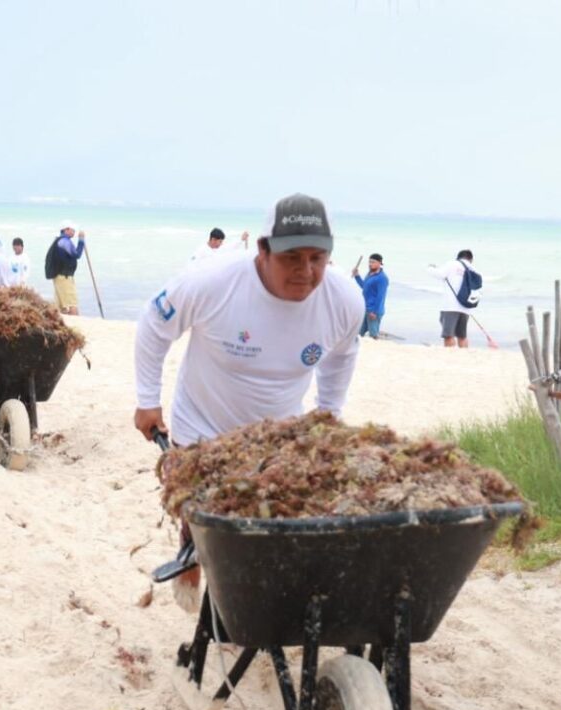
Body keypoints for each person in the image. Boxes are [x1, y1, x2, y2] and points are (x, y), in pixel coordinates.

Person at [134, 194, 365, 609]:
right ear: (262, 250)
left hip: (275, 438)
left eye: (318, 258)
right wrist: (147, 401)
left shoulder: (344, 300)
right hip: (201, 428)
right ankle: (193, 569)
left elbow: (342, 358)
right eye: (292, 257)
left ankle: (247, 605)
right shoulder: (211, 281)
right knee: (201, 523)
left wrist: (329, 415)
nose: (306, 272)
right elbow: (154, 326)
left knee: (266, 528)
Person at [428, 249, 481, 348]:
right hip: (465, 307)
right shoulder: (472, 269)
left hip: (450, 306)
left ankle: (450, 355)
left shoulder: (452, 264)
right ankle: (464, 355)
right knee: (462, 336)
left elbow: (439, 274)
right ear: (471, 260)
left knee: (448, 335)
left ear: (458, 257)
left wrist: (430, 268)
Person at [46, 221, 86, 314]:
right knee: (72, 303)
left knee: (61, 306)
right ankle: (77, 324)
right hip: (64, 277)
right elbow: (77, 255)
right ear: (66, 229)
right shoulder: (64, 241)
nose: (74, 232)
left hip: (58, 276)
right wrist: (81, 240)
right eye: (72, 230)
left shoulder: (59, 240)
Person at [352, 253, 388, 338]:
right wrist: (357, 276)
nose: (370, 264)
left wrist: (374, 312)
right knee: (359, 333)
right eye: (369, 262)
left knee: (373, 334)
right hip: (365, 308)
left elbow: (380, 296)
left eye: (373, 262)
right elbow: (364, 286)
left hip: (374, 311)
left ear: (379, 263)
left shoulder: (382, 278)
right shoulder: (370, 274)